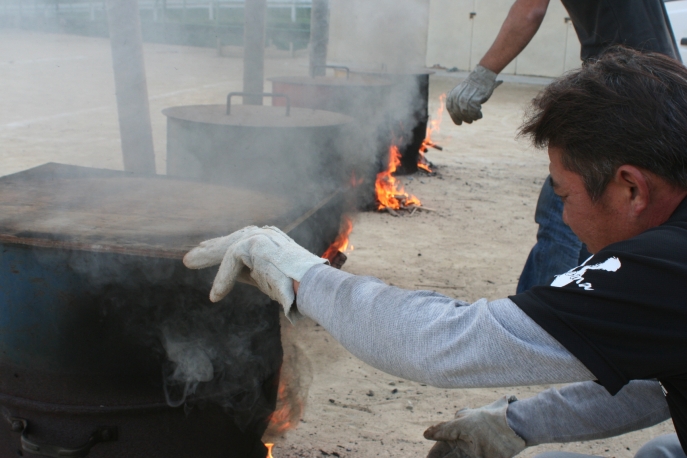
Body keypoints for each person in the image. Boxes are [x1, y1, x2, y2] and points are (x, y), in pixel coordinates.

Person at [184, 49, 687, 457]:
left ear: (631, 189)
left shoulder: (663, 268)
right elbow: (653, 382)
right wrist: (515, 424)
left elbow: (445, 342)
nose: (568, 218)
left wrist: (297, 272)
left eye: (564, 195)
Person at [445, 0, 681, 293]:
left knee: (564, 213)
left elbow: (530, 10)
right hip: (661, 85)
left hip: (623, 92)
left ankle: (537, 325)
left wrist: (483, 74)